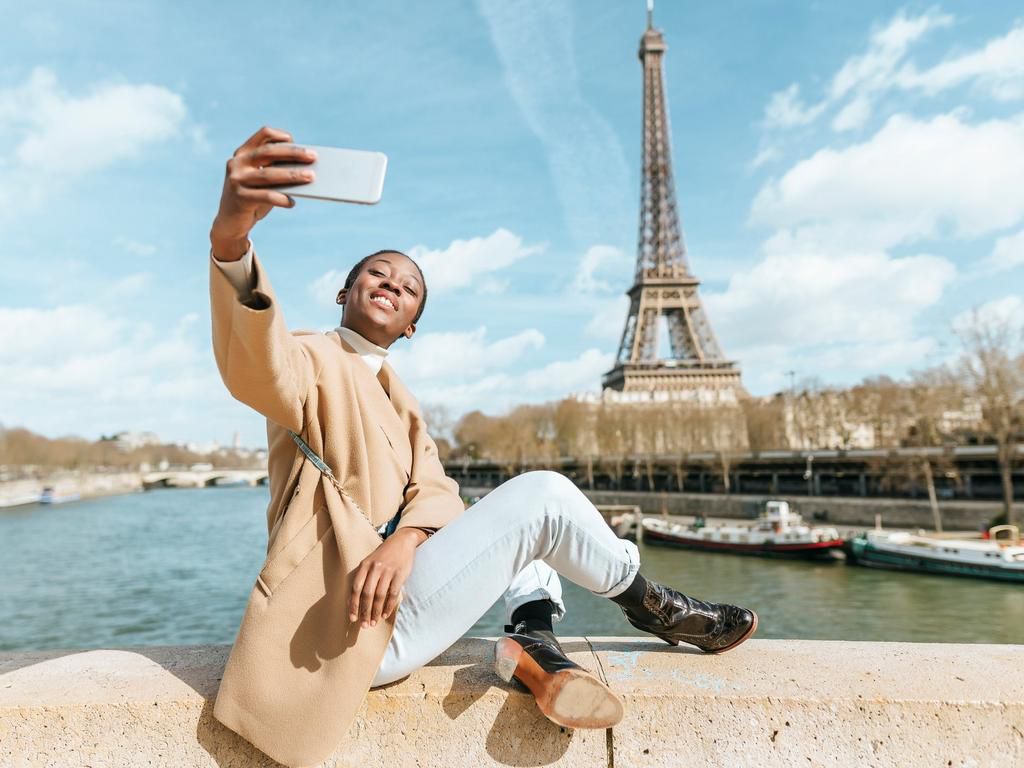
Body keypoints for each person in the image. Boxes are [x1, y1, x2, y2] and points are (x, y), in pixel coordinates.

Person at [208, 127, 758, 768]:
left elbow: (437, 490)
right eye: (375, 275)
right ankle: (654, 606)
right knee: (544, 496)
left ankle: (533, 637)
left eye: (407, 287)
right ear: (344, 294)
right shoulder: (309, 358)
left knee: (499, 516)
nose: (390, 284)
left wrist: (406, 540)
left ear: (412, 325)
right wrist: (232, 238)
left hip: (395, 596)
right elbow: (256, 362)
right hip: (347, 627)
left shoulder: (400, 398)